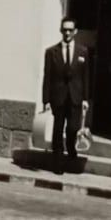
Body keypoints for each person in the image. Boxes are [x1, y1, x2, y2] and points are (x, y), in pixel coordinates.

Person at [42, 18, 90, 174]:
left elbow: (86, 77)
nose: (67, 33)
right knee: (57, 129)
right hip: (59, 97)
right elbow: (47, 77)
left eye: (70, 30)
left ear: (75, 31)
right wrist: (46, 100)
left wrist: (85, 99)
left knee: (72, 128)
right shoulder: (51, 52)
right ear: (61, 31)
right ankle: (57, 163)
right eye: (65, 30)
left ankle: (71, 149)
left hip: (75, 97)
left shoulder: (82, 51)